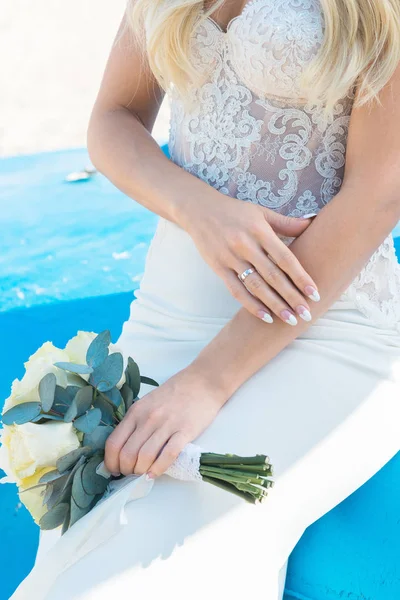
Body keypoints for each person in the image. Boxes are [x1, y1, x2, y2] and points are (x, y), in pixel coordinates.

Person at [14, 1, 400, 598]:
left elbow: (378, 194)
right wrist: (197, 208)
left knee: (154, 564)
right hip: (166, 316)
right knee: (77, 547)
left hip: (321, 328)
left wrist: (207, 381)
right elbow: (114, 118)